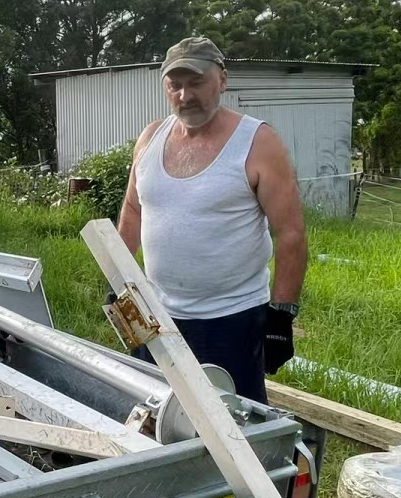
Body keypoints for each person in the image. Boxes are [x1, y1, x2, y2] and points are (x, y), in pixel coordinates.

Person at [115, 36, 306, 404]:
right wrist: (122, 282)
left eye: (196, 82)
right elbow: (132, 212)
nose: (185, 95)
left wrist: (281, 317)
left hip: (230, 319)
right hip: (155, 314)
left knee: (231, 428)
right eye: (176, 84)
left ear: (221, 79)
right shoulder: (151, 138)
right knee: (152, 414)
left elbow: (290, 233)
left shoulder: (257, 142)